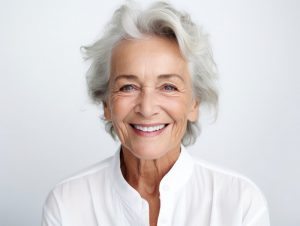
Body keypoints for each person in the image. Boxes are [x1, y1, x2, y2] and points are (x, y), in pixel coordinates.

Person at [42, 1, 270, 226]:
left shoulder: (241, 203)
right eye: (128, 87)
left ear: (194, 104)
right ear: (106, 104)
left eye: (168, 87)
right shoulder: (66, 205)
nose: (147, 108)